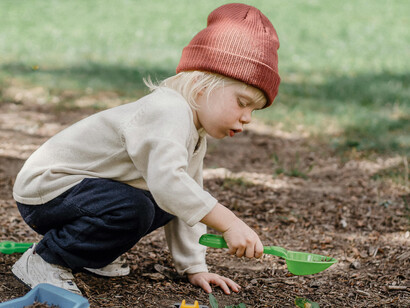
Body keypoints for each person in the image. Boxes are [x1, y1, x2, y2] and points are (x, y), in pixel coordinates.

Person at [11, 3, 280, 296]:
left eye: (255, 110)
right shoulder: (168, 111)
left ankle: (89, 256)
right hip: (47, 189)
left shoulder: (194, 130)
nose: (247, 118)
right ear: (202, 85)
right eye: (242, 103)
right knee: (136, 207)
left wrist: (195, 267)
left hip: (82, 192)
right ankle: (46, 259)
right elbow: (170, 185)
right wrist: (229, 223)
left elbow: (186, 198)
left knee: (165, 202)